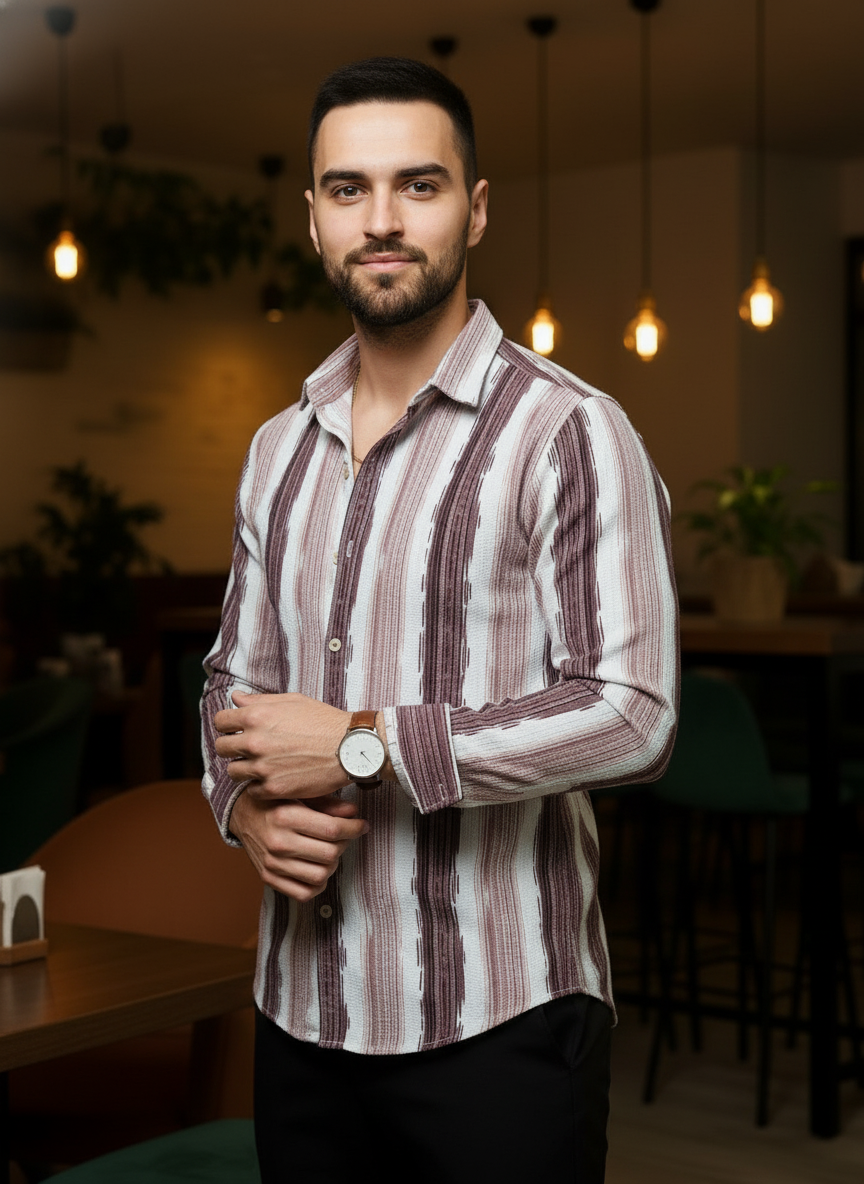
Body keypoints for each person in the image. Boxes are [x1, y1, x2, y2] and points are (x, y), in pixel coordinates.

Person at [202, 56, 678, 1184]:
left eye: (417, 186)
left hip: (498, 1023)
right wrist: (245, 807)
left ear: (474, 208)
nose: (381, 220)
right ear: (314, 219)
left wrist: (362, 742)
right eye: (347, 189)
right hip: (300, 1011)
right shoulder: (277, 447)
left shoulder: (569, 430)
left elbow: (636, 715)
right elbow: (230, 679)